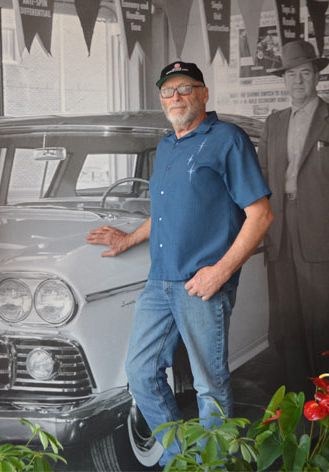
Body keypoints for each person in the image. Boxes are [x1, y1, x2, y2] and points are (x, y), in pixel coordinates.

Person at [86, 61, 273, 466]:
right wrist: (128, 239)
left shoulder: (227, 139)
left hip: (201, 282)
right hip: (160, 283)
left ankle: (215, 465)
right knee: (140, 374)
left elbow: (261, 216)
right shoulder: (168, 144)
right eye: (168, 92)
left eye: (185, 89)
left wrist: (220, 272)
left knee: (209, 385)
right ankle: (182, 459)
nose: (176, 98)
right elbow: (168, 211)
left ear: (204, 94)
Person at [259, 40, 329, 390]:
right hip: (280, 235)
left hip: (325, 234)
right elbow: (260, 180)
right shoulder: (273, 123)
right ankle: (295, 401)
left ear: (316, 77)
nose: (298, 81)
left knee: (323, 323)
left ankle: (327, 401)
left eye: (305, 73)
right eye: (291, 75)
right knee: (286, 323)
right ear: (284, 80)